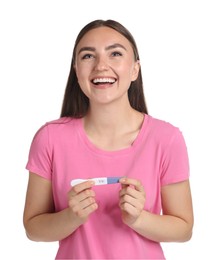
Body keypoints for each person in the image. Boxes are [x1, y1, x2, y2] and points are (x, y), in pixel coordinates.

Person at [23, 19, 194, 259]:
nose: (101, 66)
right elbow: (33, 228)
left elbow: (184, 228)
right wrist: (70, 217)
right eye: (87, 56)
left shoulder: (166, 139)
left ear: (135, 69)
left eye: (115, 53)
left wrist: (139, 218)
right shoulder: (49, 139)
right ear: (76, 70)